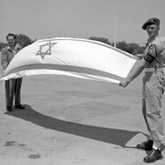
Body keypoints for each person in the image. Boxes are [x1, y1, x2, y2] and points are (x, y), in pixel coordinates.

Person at [119, 18, 165, 163]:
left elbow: (143, 64)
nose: (150, 30)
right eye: (148, 28)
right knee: (146, 110)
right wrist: (139, 56)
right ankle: (152, 139)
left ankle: (157, 148)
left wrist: (127, 80)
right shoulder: (150, 44)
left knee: (153, 111)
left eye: (152, 27)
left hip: (155, 77)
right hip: (149, 76)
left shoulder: (157, 44)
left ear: (158, 28)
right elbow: (147, 58)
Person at [1, 33, 25, 112]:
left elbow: (23, 56)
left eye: (12, 40)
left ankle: (17, 103)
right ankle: (9, 105)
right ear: (7, 40)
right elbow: (4, 60)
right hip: (10, 71)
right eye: (9, 40)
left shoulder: (18, 48)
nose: (10, 41)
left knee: (18, 87)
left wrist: (20, 49)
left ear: (14, 40)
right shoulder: (5, 50)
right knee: (10, 88)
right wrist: (5, 69)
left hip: (18, 70)